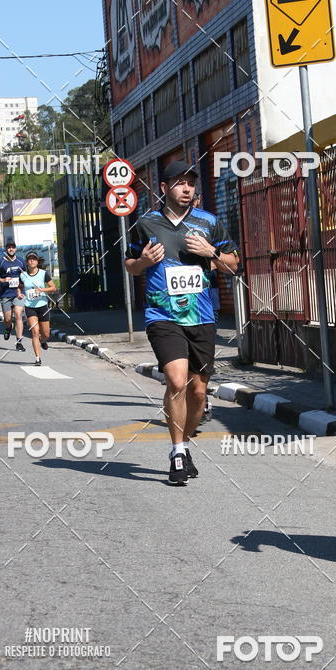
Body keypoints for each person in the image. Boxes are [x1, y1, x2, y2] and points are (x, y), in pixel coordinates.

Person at [125, 161, 239, 485]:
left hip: (201, 317)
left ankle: (184, 444)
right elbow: (130, 265)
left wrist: (211, 251)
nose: (187, 188)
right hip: (162, 315)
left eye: (191, 183)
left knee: (199, 393)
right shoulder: (146, 224)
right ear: (164, 188)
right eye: (179, 183)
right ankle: (177, 453)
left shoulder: (209, 223)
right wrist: (144, 262)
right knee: (176, 381)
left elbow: (233, 265)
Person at [18, 252, 56, 365]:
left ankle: (42, 341)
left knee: (46, 334)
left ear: (37, 261)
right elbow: (19, 287)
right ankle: (38, 358)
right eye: (29, 259)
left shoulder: (44, 274)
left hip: (43, 306)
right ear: (27, 262)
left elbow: (53, 287)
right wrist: (19, 293)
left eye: (34, 259)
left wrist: (42, 290)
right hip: (30, 307)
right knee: (35, 331)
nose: (32, 261)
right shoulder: (23, 275)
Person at [0, 241, 26, 351]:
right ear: (6, 249)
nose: (11, 249)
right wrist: (2, 280)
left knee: (18, 315)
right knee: (8, 319)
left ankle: (19, 342)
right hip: (5, 294)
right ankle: (8, 327)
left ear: (15, 249)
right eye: (9, 247)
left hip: (17, 293)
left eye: (13, 247)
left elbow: (26, 275)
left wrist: (22, 287)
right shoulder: (0, 262)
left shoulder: (21, 261)